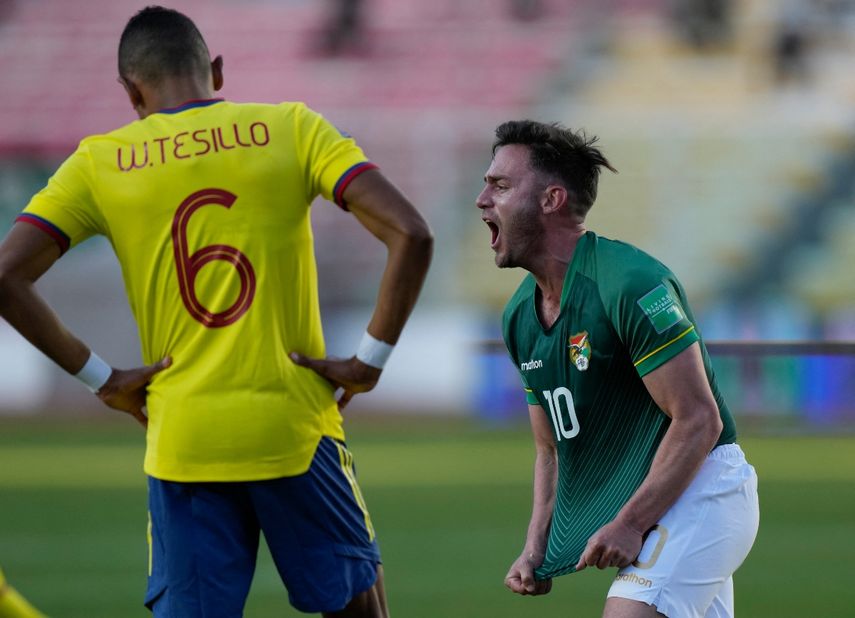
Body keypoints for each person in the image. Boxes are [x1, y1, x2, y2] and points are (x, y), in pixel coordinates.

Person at [0, 6, 432, 618]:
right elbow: (411, 233)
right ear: (218, 72)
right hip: (294, 429)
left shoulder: (99, 162)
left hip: (182, 438)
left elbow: (5, 275)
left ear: (131, 93)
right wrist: (369, 362)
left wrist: (103, 379)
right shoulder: (291, 127)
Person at [476, 120, 758, 617]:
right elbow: (550, 449)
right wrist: (536, 544)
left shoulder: (631, 282)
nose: (482, 199)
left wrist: (630, 523)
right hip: (655, 504)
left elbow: (699, 420)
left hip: (702, 491)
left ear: (551, 199)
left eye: (500, 185)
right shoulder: (519, 314)